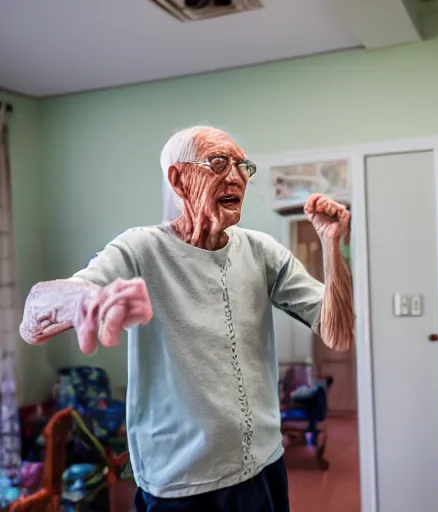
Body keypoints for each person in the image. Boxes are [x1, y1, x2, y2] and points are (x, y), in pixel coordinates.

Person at [19, 126, 354, 512]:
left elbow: (339, 334)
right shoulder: (141, 248)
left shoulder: (262, 251)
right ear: (179, 179)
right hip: (180, 484)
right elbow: (33, 320)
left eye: (242, 166)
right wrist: (82, 298)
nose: (236, 176)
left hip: (264, 466)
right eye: (218, 163)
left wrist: (332, 245)